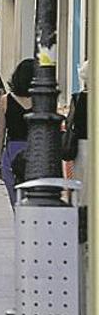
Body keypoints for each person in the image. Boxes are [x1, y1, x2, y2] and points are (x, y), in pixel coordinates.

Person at [0, 58, 35, 208]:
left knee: (15, 199)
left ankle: (21, 224)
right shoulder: (42, 100)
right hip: (36, 150)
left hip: (13, 151)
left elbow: (0, 133)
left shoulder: (5, 100)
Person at [67, 60, 90, 209]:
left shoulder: (77, 98)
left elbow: (70, 122)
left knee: (82, 182)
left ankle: (82, 211)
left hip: (82, 145)